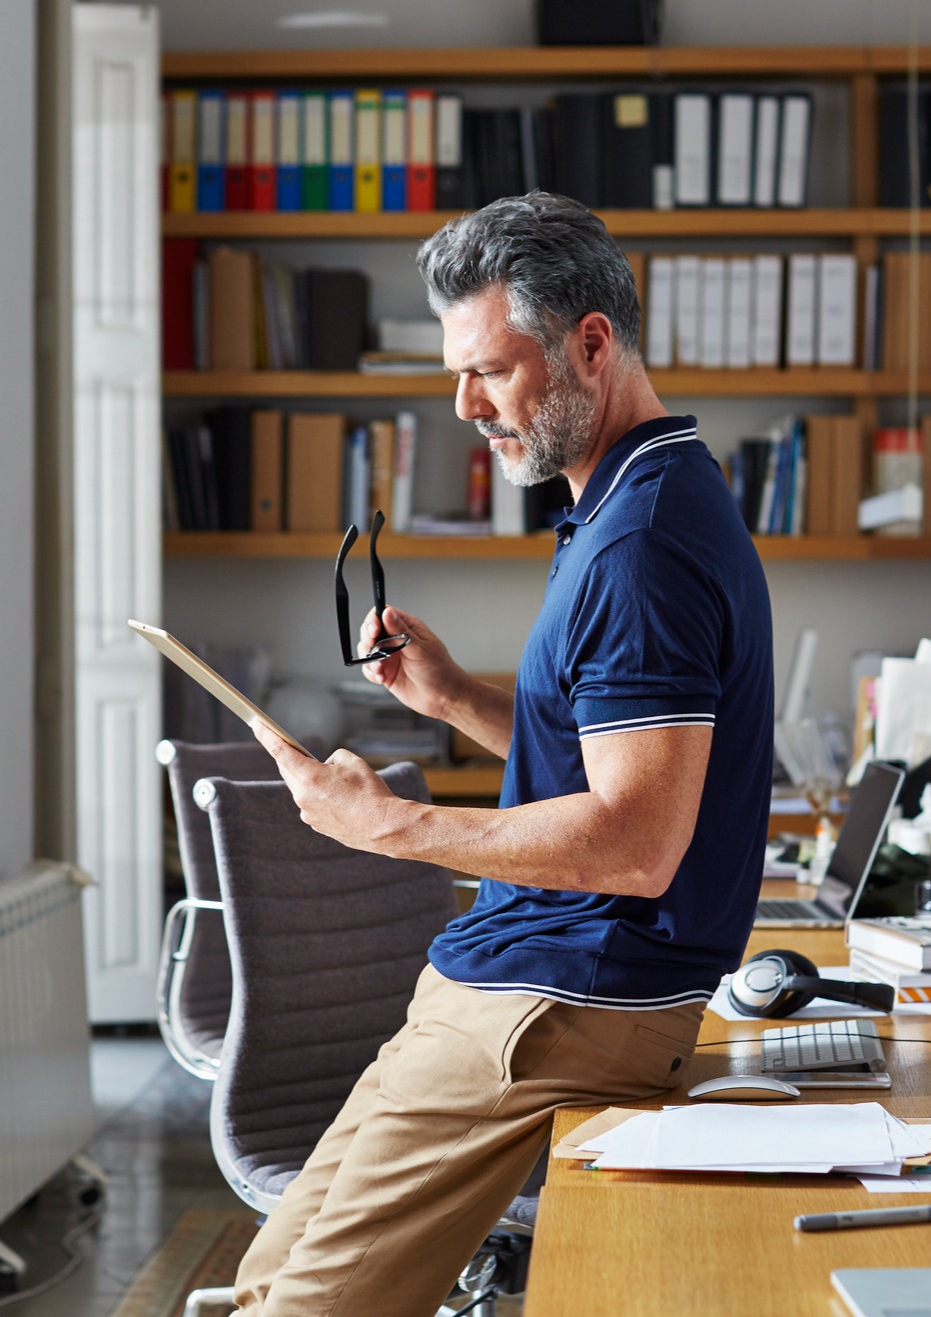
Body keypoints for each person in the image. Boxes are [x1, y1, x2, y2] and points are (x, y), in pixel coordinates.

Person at [234, 191, 774, 1317]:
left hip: (566, 994)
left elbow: (632, 843)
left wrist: (389, 825)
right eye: (454, 372)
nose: (466, 406)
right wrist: (455, 698)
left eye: (491, 370)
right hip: (515, 973)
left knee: (306, 1309)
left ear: (591, 343)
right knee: (265, 1279)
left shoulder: (642, 544)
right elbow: (604, 757)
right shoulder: (623, 496)